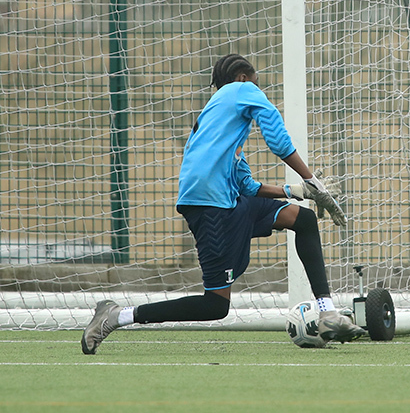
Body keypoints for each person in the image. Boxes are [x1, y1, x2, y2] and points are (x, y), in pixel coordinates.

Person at [82, 54, 364, 354]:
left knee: (303, 220)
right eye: (257, 83)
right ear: (243, 77)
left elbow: (246, 185)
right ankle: (117, 316)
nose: (259, 89)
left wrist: (296, 190)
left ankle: (327, 312)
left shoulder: (216, 123)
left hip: (226, 202)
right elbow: (278, 139)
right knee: (215, 304)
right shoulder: (241, 90)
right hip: (211, 207)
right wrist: (312, 179)